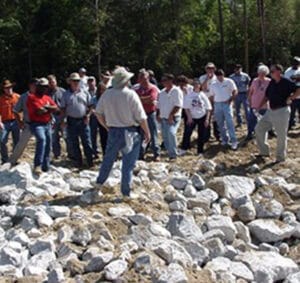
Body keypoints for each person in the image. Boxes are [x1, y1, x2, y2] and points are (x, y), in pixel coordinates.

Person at [94, 67, 150, 199]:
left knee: (108, 159)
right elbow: (141, 117)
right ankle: (126, 192)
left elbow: (98, 112)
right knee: (128, 164)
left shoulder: (107, 94)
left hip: (113, 130)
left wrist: (106, 126)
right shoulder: (130, 94)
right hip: (130, 131)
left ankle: (99, 183)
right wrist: (147, 132)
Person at [255, 64, 300, 163]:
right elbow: (266, 96)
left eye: (272, 71)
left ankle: (280, 157)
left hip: (281, 111)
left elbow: (298, 89)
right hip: (270, 111)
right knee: (259, 129)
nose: (270, 73)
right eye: (270, 71)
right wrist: (259, 106)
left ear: (279, 72)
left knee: (281, 135)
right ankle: (264, 152)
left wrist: (291, 98)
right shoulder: (272, 83)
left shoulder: (286, 82)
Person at [60, 72, 94, 168]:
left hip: (83, 120)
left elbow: (91, 105)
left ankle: (90, 162)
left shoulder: (85, 92)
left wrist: (88, 115)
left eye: (77, 81)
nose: (76, 82)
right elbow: (63, 108)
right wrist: (63, 120)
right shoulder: (65, 94)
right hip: (71, 120)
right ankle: (79, 163)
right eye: (74, 81)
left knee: (87, 142)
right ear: (70, 82)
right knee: (74, 143)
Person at [27, 78, 58, 175]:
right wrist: (49, 108)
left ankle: (46, 166)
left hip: (47, 124)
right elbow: (39, 111)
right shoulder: (32, 97)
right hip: (37, 124)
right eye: (42, 87)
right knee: (41, 140)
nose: (44, 89)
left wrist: (47, 108)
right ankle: (37, 165)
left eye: (46, 87)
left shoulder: (47, 97)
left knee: (48, 144)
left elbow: (56, 108)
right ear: (38, 87)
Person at [9, 78, 38, 165]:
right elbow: (15, 110)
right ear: (30, 86)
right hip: (28, 124)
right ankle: (12, 161)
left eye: (37, 85)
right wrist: (20, 122)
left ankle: (42, 162)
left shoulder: (41, 95)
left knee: (43, 143)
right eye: (34, 85)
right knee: (21, 144)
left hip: (40, 124)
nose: (36, 87)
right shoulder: (24, 97)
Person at [180, 79, 212, 156]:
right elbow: (186, 107)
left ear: (200, 86)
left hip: (202, 117)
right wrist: (189, 117)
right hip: (192, 117)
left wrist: (207, 119)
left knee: (201, 134)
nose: (196, 86)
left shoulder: (203, 95)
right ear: (193, 86)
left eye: (198, 84)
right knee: (187, 133)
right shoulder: (189, 95)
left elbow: (208, 108)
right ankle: (184, 148)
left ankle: (200, 151)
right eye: (195, 84)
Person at [135, 69, 160, 161]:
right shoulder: (137, 89)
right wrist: (144, 99)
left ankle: (156, 153)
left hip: (150, 113)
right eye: (140, 77)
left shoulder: (153, 88)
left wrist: (141, 99)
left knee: (153, 134)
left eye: (144, 77)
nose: (142, 79)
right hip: (140, 114)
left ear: (148, 78)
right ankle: (140, 154)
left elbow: (152, 99)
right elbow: (135, 101)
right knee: (141, 135)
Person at [156, 74, 183, 160]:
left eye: (165, 80)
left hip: (173, 117)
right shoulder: (161, 92)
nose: (163, 82)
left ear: (171, 81)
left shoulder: (176, 91)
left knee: (171, 133)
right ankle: (170, 151)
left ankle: (173, 154)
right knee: (165, 136)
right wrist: (158, 114)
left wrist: (171, 115)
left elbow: (178, 105)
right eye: (162, 80)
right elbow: (159, 105)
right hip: (163, 117)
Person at [210, 69, 238, 150]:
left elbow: (235, 91)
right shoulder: (213, 84)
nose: (220, 78)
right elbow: (212, 96)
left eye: (221, 76)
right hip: (217, 104)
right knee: (220, 123)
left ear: (223, 75)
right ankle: (225, 139)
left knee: (230, 122)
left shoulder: (229, 81)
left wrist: (230, 99)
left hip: (227, 104)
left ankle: (234, 141)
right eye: (218, 76)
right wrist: (212, 106)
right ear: (216, 76)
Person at [247, 65, 271, 140]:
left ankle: (269, 132)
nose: (261, 74)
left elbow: (270, 93)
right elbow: (250, 92)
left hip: (264, 105)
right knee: (252, 120)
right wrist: (250, 102)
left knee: (266, 120)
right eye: (260, 72)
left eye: (263, 73)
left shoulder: (269, 81)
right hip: (254, 104)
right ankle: (250, 133)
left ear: (266, 73)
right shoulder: (254, 81)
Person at [0, 80, 20, 164]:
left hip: (16, 121)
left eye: (10, 87)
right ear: (4, 89)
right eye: (7, 88)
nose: (9, 89)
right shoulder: (1, 99)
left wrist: (22, 121)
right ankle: (5, 159)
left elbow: (24, 109)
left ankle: (14, 159)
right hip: (5, 122)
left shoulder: (18, 97)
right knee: (2, 141)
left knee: (17, 141)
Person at [199, 62, 219, 141]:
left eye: (212, 68)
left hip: (215, 99)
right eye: (208, 68)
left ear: (214, 69)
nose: (210, 70)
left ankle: (217, 135)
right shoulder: (202, 77)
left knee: (216, 118)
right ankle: (206, 136)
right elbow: (202, 88)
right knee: (206, 118)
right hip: (205, 100)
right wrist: (207, 78)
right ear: (206, 69)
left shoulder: (217, 77)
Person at [47, 74, 66, 159]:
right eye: (50, 82)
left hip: (62, 115)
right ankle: (57, 154)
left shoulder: (62, 91)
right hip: (52, 117)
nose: (52, 84)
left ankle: (71, 154)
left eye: (53, 82)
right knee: (54, 137)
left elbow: (66, 105)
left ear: (56, 82)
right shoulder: (46, 93)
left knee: (66, 136)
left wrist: (64, 118)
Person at [90, 82, 108, 158]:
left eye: (103, 89)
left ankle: (108, 154)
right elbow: (91, 107)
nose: (101, 91)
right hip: (96, 118)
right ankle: (97, 152)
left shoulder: (108, 98)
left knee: (107, 137)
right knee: (97, 136)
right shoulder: (94, 98)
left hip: (106, 119)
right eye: (100, 89)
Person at [284, 56, 300, 129]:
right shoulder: (288, 72)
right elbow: (286, 83)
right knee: (291, 111)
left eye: (298, 63)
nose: (296, 65)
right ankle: (290, 125)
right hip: (292, 94)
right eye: (295, 63)